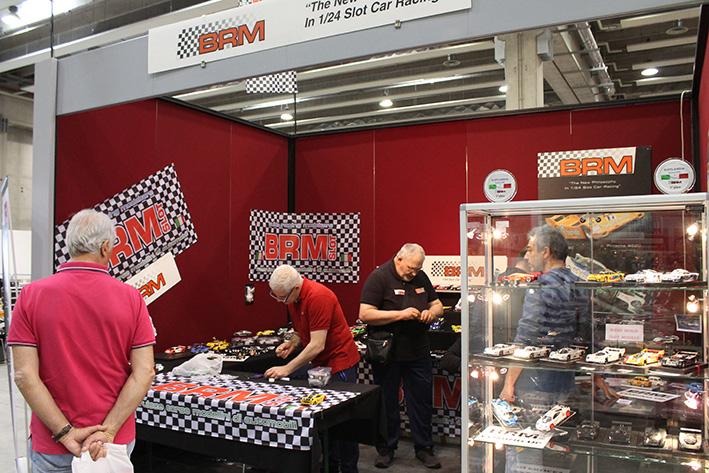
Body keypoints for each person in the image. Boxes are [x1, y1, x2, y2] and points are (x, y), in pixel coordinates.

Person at [8, 209, 156, 473]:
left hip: (52, 442)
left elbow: (24, 374)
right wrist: (108, 431)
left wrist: (64, 433)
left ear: (69, 245)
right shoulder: (131, 298)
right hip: (112, 444)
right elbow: (144, 371)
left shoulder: (30, 296)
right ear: (106, 247)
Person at [265, 264, 361, 473]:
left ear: (295, 288)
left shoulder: (319, 297)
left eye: (282, 297)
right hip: (320, 367)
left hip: (340, 363)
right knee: (325, 426)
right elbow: (302, 330)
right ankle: (331, 467)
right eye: (276, 297)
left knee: (343, 427)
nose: (281, 301)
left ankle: (348, 469)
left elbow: (317, 345)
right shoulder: (293, 298)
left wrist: (287, 368)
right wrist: (292, 343)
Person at [359, 243, 443, 469]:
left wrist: (431, 313)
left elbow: (437, 305)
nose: (414, 273)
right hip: (388, 353)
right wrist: (400, 315)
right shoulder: (379, 278)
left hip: (418, 351)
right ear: (399, 259)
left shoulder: (421, 277)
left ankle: (424, 448)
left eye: (418, 269)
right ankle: (387, 449)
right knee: (387, 403)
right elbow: (365, 314)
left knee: (422, 402)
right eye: (411, 268)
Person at [500, 225, 589, 406]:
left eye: (531, 250)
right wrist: (597, 377)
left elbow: (526, 335)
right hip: (567, 373)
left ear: (546, 252)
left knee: (534, 420)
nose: (526, 256)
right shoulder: (578, 283)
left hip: (537, 375)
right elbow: (585, 331)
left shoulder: (540, 286)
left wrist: (509, 383)